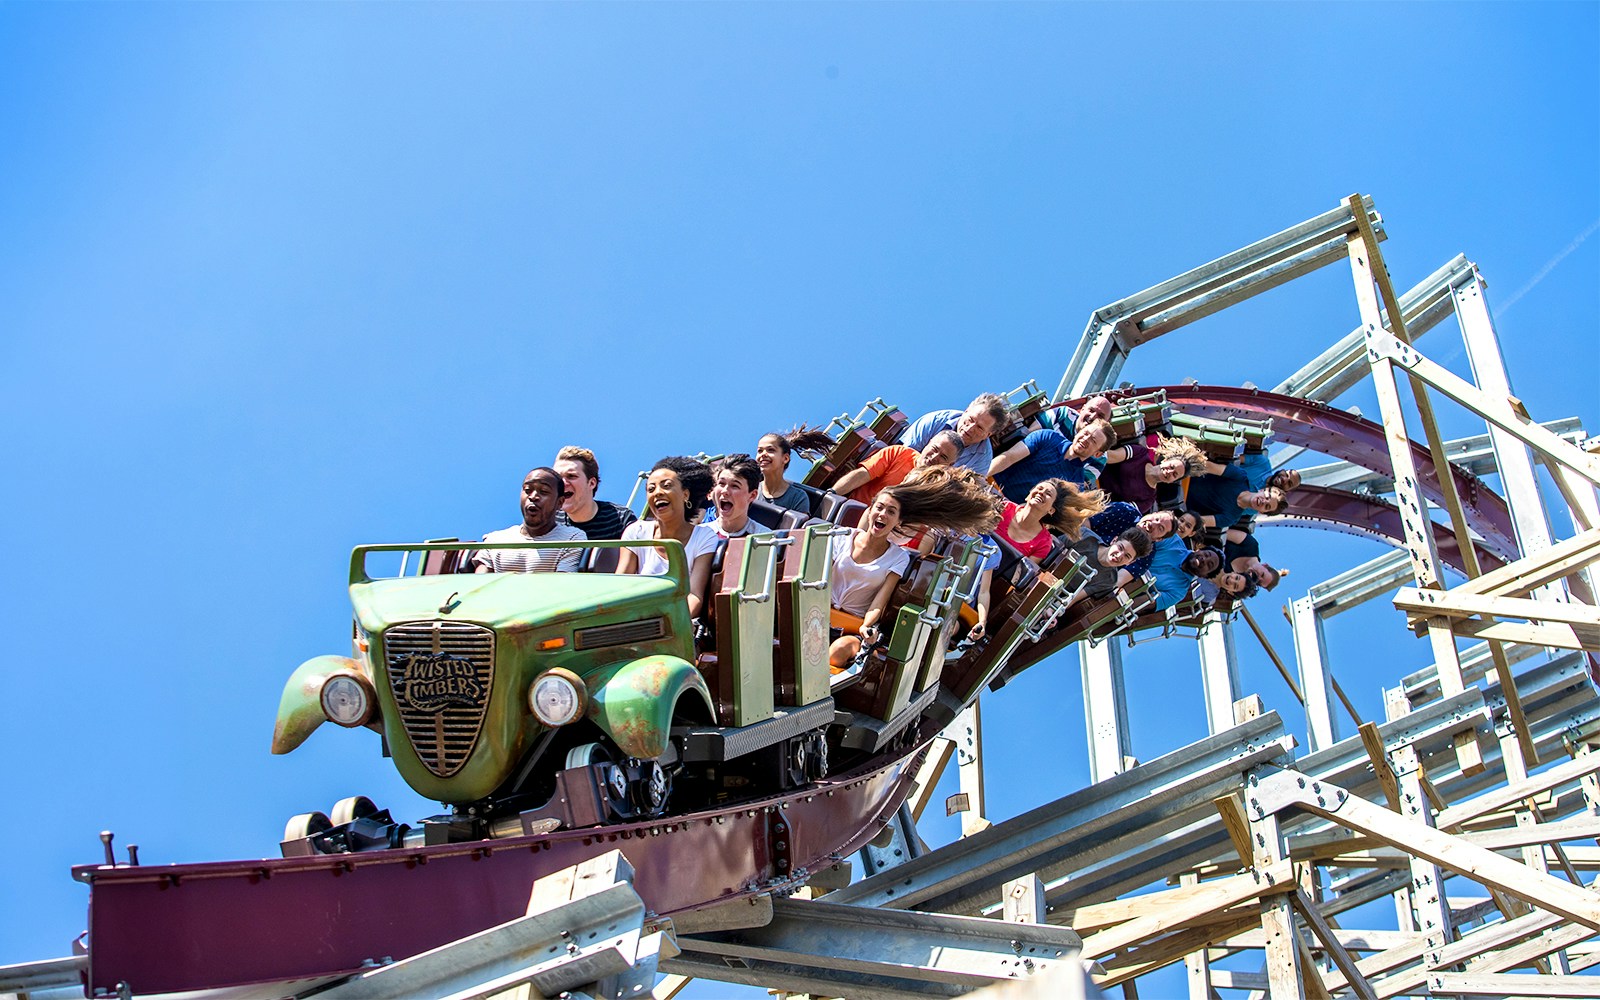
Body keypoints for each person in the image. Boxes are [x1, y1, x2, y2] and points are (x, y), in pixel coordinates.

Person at [828, 466, 1002, 669]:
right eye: (879, 508)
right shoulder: (842, 537)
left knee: (838, 652)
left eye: (891, 512)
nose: (882, 514)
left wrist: (867, 626)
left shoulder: (899, 557)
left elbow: (879, 603)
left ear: (899, 520)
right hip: (818, 613)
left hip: (852, 623)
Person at [618, 457, 719, 620]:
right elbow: (620, 588)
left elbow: (694, 595)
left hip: (677, 624)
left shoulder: (704, 537)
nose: (657, 492)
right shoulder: (636, 531)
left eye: (666, 486)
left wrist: (668, 625)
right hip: (636, 620)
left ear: (685, 494)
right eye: (651, 489)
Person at [473, 467, 587, 573]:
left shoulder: (572, 539)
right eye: (527, 490)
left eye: (544, 491)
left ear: (560, 502)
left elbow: (563, 585)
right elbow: (479, 585)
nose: (533, 497)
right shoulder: (495, 540)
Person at [988, 417, 1115, 501]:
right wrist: (981, 475)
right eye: (1086, 433)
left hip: (1008, 507)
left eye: (1093, 441)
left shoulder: (1076, 486)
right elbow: (1009, 457)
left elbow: (1044, 510)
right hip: (990, 482)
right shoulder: (1048, 437)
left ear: (1097, 454)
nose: (1086, 439)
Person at [832, 430, 961, 505]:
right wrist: (832, 494)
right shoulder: (898, 453)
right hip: (853, 511)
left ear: (950, 465)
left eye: (943, 457)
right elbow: (861, 475)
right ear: (929, 442)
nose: (934, 457)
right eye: (934, 449)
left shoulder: (937, 488)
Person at [900, 393, 1011, 475]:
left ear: (988, 434)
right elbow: (903, 455)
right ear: (966, 411)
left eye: (979, 427)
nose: (970, 428)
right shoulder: (934, 421)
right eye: (971, 419)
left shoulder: (982, 461)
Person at [1097, 435, 1207, 513]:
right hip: (1093, 471)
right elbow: (1111, 456)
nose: (1169, 472)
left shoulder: (1147, 500)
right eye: (1171, 466)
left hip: (1095, 499)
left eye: (1174, 474)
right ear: (1165, 460)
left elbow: (1118, 510)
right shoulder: (1140, 453)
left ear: (1172, 482)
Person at [554, 445, 638, 541]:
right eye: (558, 477)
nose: (563, 483)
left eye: (571, 476)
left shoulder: (621, 518)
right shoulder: (550, 520)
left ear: (592, 483)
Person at [1061, 525, 1153, 606]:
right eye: (1120, 548)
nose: (1119, 555)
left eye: (1127, 556)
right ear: (1114, 541)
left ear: (1130, 562)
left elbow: (1073, 598)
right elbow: (1053, 545)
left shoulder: (1109, 580)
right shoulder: (1085, 536)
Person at [1184, 460, 1286, 531]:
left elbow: (1197, 521)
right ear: (1263, 489)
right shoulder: (1240, 477)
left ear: (1262, 512)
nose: (1264, 501)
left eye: (1267, 506)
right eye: (1267, 497)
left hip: (1177, 501)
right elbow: (1207, 466)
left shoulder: (1230, 518)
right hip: (1184, 476)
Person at [755, 427, 835, 513]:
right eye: (760, 451)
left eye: (770, 450)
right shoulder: (750, 489)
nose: (763, 454)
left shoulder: (797, 497)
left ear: (785, 458)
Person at [704, 455, 773, 538]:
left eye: (734, 486)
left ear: (752, 495)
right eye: (721, 483)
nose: (725, 491)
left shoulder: (764, 538)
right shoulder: (700, 534)